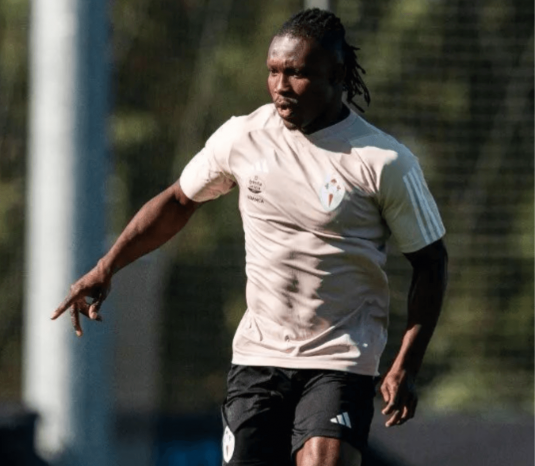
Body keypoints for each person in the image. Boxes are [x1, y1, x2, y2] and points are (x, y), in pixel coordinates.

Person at [51, 7, 448, 466]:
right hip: (258, 357)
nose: (281, 86)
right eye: (274, 71)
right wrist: (107, 266)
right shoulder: (243, 137)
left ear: (337, 74)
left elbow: (431, 262)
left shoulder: (383, 162)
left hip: (341, 358)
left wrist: (407, 363)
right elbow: (179, 201)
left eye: (297, 73)